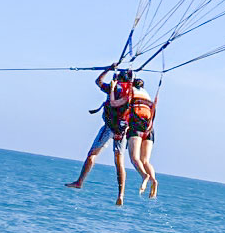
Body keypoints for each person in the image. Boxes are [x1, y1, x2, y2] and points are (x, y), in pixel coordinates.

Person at [65, 67, 134, 205]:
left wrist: (108, 69)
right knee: (119, 162)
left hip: (110, 127)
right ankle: (121, 194)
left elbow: (98, 81)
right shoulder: (131, 92)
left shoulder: (115, 88)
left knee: (92, 154)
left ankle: (79, 182)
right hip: (123, 130)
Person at [126, 77, 158, 199]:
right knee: (145, 161)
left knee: (135, 158)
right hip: (149, 130)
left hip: (136, 127)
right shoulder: (147, 96)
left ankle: (144, 176)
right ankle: (154, 180)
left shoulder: (130, 93)